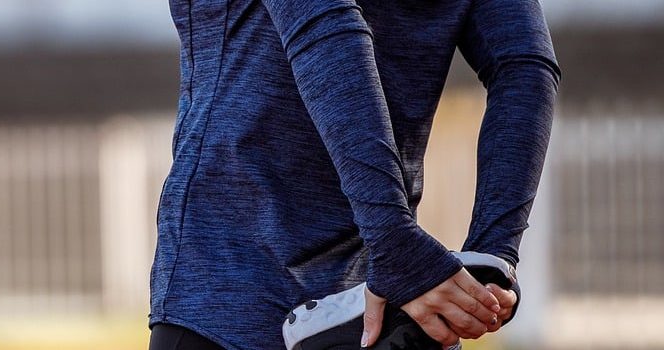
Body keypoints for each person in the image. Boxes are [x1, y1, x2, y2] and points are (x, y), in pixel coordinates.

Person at [147, 0, 561, 349]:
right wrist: (492, 255)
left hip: (233, 289)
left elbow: (325, 24)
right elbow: (523, 62)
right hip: (380, 308)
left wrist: (404, 247)